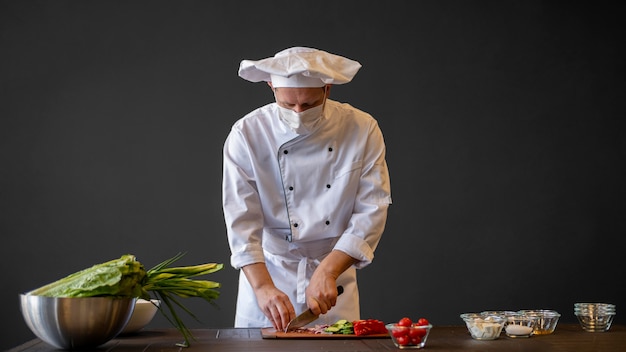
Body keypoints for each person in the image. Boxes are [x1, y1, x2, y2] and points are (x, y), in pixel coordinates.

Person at [222, 47, 392, 331]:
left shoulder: (362, 128)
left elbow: (372, 209)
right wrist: (263, 287)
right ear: (270, 86)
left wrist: (329, 270)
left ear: (327, 90)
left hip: (332, 281)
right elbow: (241, 221)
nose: (299, 113)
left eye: (309, 104)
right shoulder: (247, 134)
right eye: (288, 105)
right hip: (270, 274)